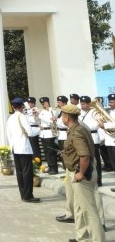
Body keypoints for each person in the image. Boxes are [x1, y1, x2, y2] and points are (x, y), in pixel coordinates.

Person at [60, 104, 105, 242]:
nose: (62, 117)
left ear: (66, 117)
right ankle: (82, 238)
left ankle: (98, 239)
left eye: (62, 115)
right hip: (81, 171)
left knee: (89, 212)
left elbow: (84, 155)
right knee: (79, 208)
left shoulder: (76, 132)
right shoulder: (78, 128)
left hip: (82, 175)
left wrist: (80, 173)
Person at [6, 97, 39, 203]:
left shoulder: (10, 118)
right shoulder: (22, 117)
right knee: (27, 172)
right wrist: (40, 129)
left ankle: (23, 194)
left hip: (15, 147)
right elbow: (30, 132)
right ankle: (28, 195)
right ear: (21, 106)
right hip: (24, 148)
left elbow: (8, 134)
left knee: (20, 172)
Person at [80, 95, 103, 186]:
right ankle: (89, 177)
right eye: (81, 104)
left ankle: (98, 179)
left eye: (84, 104)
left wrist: (85, 128)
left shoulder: (94, 112)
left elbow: (97, 124)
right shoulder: (80, 112)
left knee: (96, 160)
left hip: (93, 137)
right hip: (84, 137)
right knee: (86, 159)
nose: (82, 106)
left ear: (89, 104)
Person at [38, 96, 59, 175]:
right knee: (46, 152)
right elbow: (38, 121)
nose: (43, 105)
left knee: (51, 152)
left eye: (44, 103)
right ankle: (50, 167)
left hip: (50, 133)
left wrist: (39, 116)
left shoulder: (52, 110)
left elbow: (50, 121)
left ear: (47, 102)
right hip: (43, 133)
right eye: (42, 103)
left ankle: (54, 168)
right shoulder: (41, 111)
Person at [25, 97, 41, 163]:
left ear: (33, 103)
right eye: (28, 103)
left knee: (35, 147)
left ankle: (37, 162)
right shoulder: (26, 110)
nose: (29, 104)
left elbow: (38, 120)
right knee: (30, 147)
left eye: (30, 103)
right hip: (28, 129)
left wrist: (35, 114)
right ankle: (32, 162)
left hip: (35, 129)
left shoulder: (36, 110)